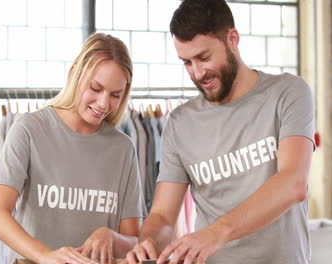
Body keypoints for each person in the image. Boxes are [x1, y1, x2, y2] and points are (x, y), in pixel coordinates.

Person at [125, 0, 315, 263]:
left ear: (233, 39)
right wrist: (149, 240)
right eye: (186, 62)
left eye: (204, 58)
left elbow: (293, 183)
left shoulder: (288, 93)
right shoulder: (179, 123)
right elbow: (163, 216)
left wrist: (215, 234)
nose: (197, 73)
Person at [0, 33, 146, 264]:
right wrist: (45, 256)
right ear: (74, 74)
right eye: (95, 88)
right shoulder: (29, 129)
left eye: (115, 95)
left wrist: (110, 236)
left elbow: (133, 240)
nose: (103, 104)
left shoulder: (123, 148)